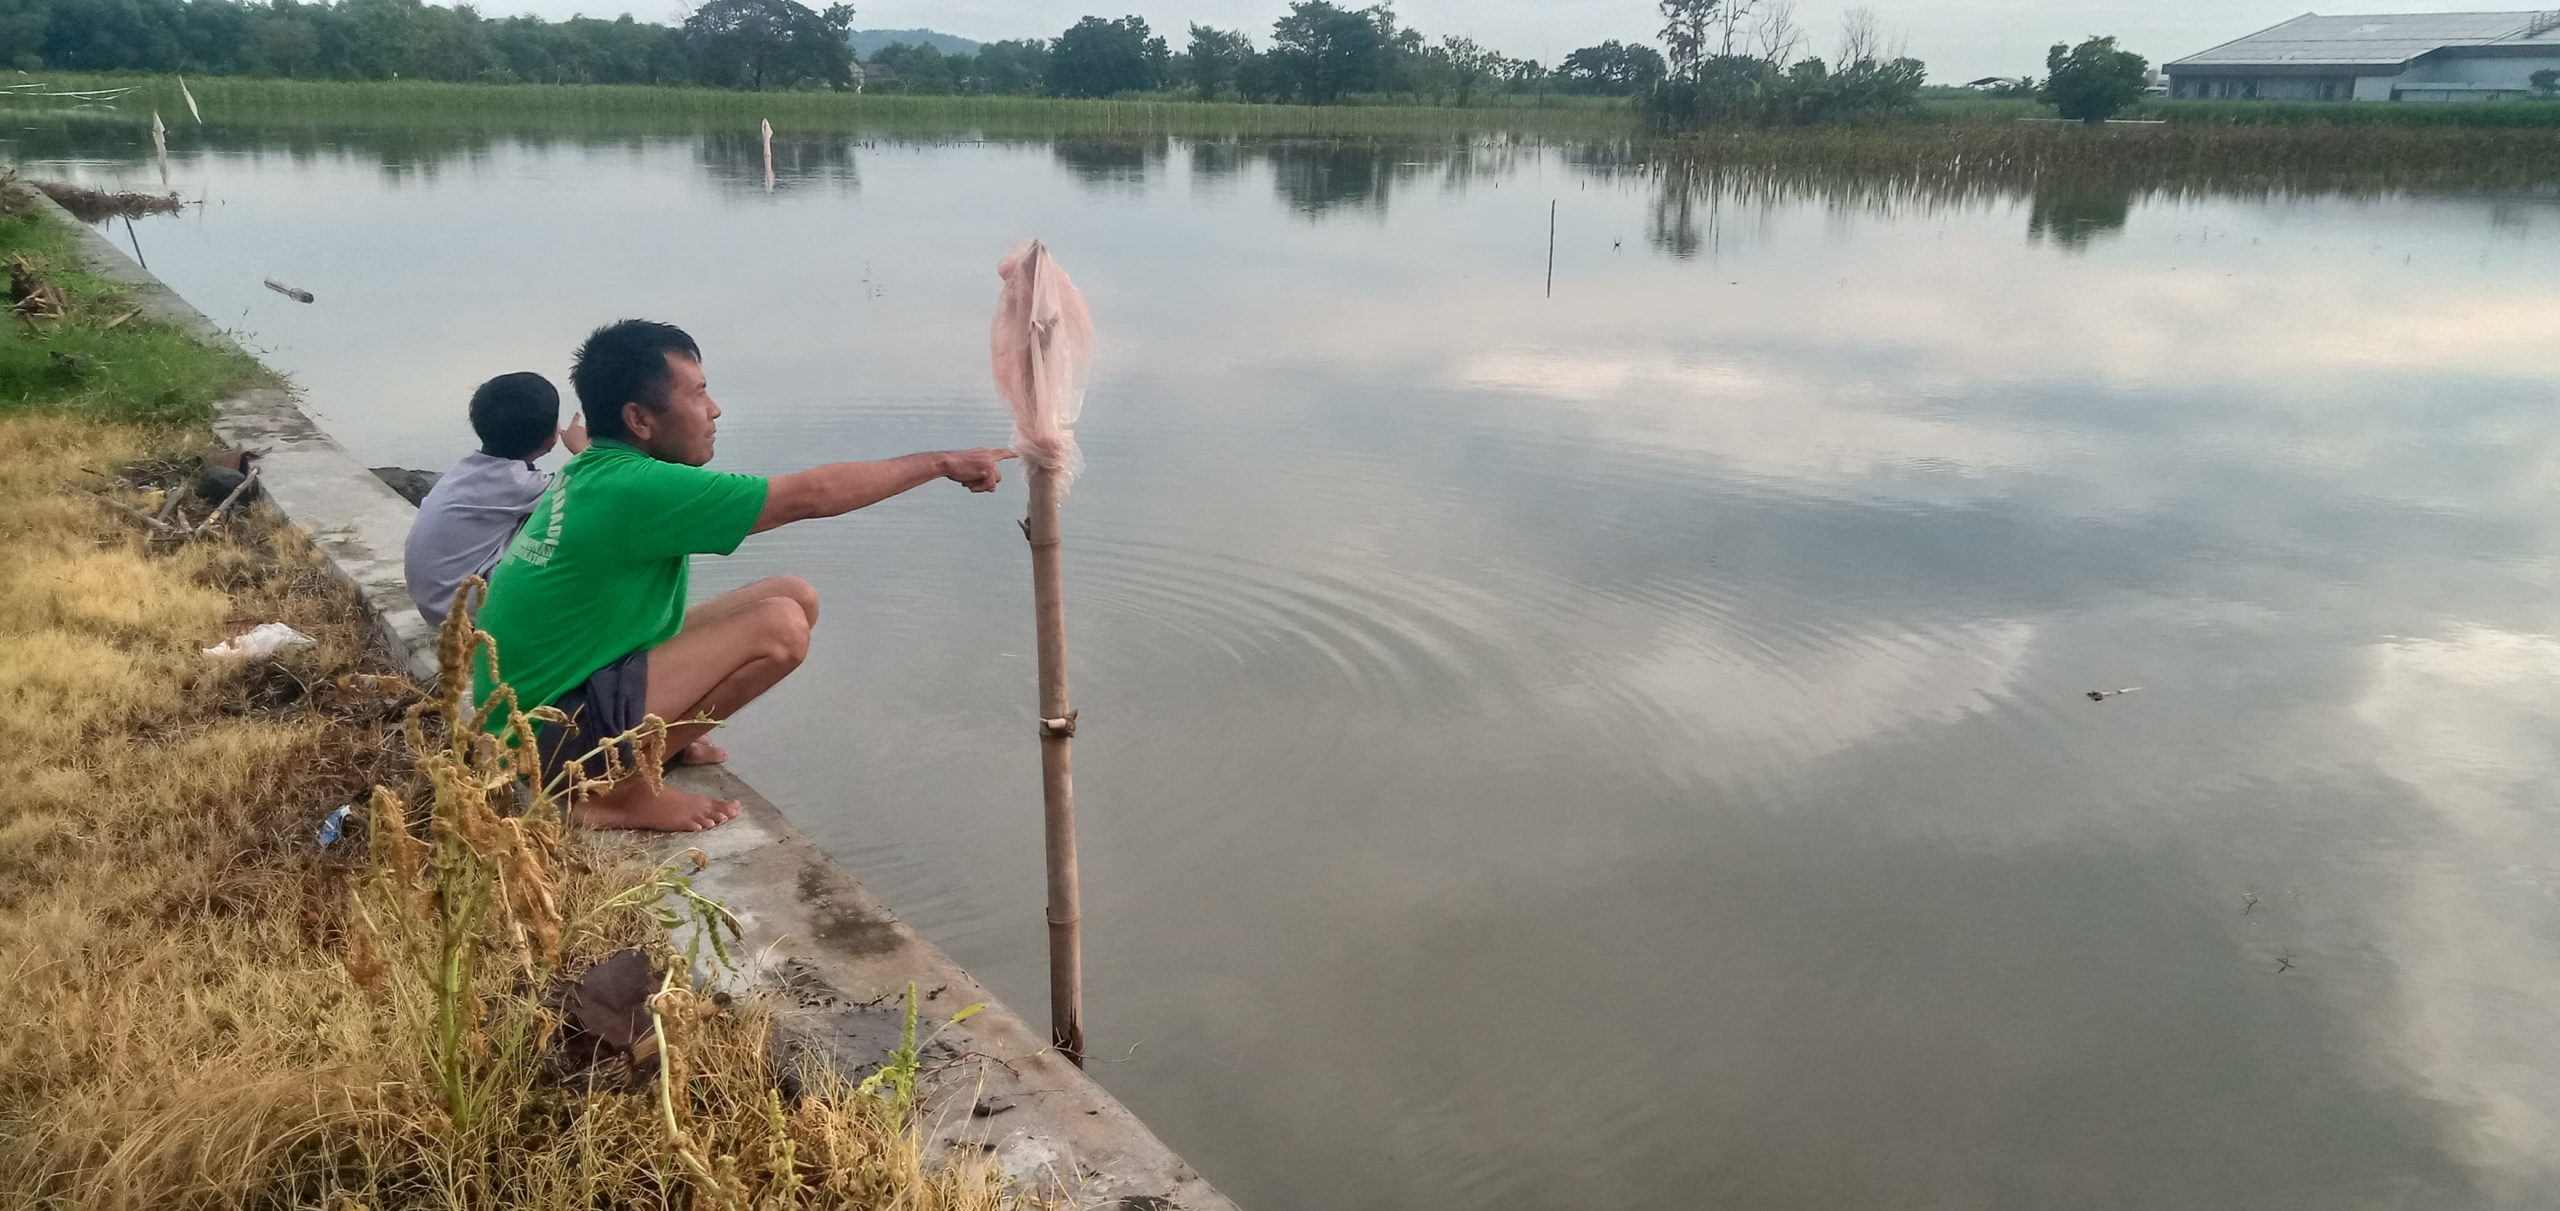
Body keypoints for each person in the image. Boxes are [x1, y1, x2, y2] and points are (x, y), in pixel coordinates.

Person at [471, 319, 1015, 833]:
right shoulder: (633, 488)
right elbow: (811, 496)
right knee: (779, 627)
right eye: (697, 395)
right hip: (543, 741)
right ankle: (615, 793)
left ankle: (665, 748)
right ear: (640, 420)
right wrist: (942, 463)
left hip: (536, 714)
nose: (715, 410)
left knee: (793, 594)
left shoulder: (598, 469)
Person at [403, 372, 587, 628]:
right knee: (573, 518)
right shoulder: (518, 485)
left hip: (435, 603)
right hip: (460, 613)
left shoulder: (467, 470)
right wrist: (584, 450)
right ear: (550, 438)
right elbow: (589, 487)